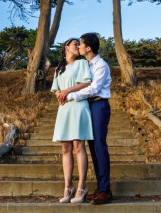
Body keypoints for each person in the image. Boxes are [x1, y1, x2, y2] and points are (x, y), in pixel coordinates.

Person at [60, 33, 113, 205]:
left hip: (99, 105)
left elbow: (94, 88)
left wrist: (71, 95)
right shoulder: (86, 65)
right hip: (88, 106)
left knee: (99, 146)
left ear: (88, 48)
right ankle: (100, 188)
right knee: (92, 148)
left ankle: (105, 190)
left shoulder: (101, 65)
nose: (79, 47)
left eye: (81, 44)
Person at [51, 38, 93, 204]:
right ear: (67, 47)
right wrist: (59, 96)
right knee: (65, 147)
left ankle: (82, 187)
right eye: (75, 44)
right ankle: (68, 187)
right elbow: (56, 89)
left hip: (78, 106)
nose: (78, 46)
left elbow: (86, 82)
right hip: (64, 108)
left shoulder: (82, 63)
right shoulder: (59, 68)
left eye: (79, 44)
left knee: (78, 145)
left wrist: (67, 91)